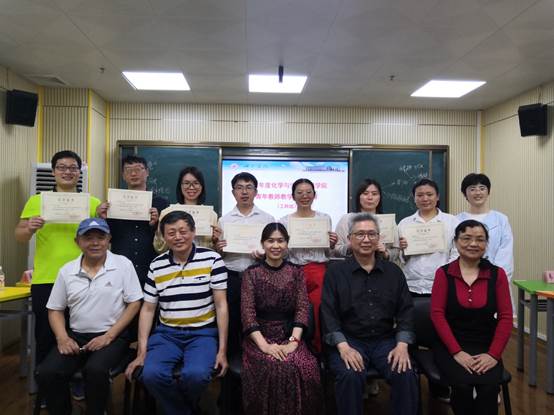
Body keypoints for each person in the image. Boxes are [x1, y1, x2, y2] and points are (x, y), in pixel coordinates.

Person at [125, 211, 229, 415]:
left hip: (202, 334)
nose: (178, 237)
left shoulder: (212, 259)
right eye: (171, 233)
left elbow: (221, 305)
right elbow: (148, 309)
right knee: (151, 374)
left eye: (183, 231)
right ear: (164, 237)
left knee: (196, 375)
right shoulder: (157, 265)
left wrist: (222, 350)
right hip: (167, 334)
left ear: (193, 232)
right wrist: (142, 352)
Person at [36, 218, 143, 415]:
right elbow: (55, 309)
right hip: (76, 336)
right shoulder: (67, 270)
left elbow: (134, 303)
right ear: (77, 242)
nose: (95, 243)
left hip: (113, 336)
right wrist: (62, 338)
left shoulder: (123, 264)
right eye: (88, 238)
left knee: (95, 370)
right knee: (47, 372)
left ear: (109, 239)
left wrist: (109, 336)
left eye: (100, 237)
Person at [321, 213, 419, 415]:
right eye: (360, 234)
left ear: (378, 238)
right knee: (349, 374)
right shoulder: (335, 273)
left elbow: (406, 311)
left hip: (385, 340)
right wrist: (343, 347)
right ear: (349, 239)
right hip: (349, 339)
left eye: (371, 234)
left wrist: (402, 346)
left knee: (405, 372)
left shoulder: (393, 272)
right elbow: (328, 313)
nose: (366, 239)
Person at [15, 150, 102, 368]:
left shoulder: (92, 203)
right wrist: (29, 228)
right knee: (45, 334)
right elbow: (19, 236)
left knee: (81, 332)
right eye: (62, 167)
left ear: (79, 172)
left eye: (73, 168)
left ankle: (78, 378)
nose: (67, 172)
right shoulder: (37, 201)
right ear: (53, 171)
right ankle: (46, 380)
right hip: (47, 278)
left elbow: (103, 238)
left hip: (85, 278)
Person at [430, 220, 513, 415]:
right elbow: (437, 315)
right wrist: (457, 352)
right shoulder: (444, 273)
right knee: (462, 386)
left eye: (480, 239)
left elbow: (506, 317)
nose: (473, 244)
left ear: (486, 244)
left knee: (489, 388)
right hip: (450, 345)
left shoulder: (497, 274)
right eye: (466, 238)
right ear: (456, 242)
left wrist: (493, 355)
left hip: (486, 345)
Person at [241, 223, 322, 415]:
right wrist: (265, 346)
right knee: (272, 365)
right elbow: (247, 314)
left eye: (280, 241)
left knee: (305, 366)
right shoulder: (251, 273)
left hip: (290, 334)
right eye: (270, 241)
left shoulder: (296, 272)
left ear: (287, 244)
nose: (275, 246)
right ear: (263, 243)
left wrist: (293, 342)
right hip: (259, 337)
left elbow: (302, 308)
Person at [215, 172, 274, 414]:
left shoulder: (267, 219)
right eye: (239, 187)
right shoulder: (224, 220)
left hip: (257, 278)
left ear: (256, 191)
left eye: (249, 187)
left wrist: (265, 253)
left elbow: (275, 250)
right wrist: (218, 248)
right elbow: (217, 254)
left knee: (255, 331)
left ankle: (256, 391)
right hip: (231, 279)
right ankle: (228, 396)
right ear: (233, 192)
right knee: (231, 333)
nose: (244, 191)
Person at [279, 178, 337, 353]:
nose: (304, 196)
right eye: (300, 192)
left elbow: (328, 252)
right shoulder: (284, 221)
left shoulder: (324, 218)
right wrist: (285, 246)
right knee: (293, 311)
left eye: (308, 192)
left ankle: (319, 351)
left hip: (318, 271)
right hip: (292, 271)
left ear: (314, 195)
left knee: (319, 311)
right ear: (293, 196)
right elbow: (282, 254)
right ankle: (294, 350)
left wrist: (331, 244)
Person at [97, 155, 169, 286]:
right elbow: (109, 237)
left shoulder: (161, 203)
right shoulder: (114, 203)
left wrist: (156, 224)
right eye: (128, 170)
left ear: (147, 172)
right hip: (120, 270)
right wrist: (102, 219)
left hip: (152, 269)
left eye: (138, 169)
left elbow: (168, 239)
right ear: (123, 175)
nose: (133, 173)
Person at [398, 178, 460, 296]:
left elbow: (457, 252)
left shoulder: (452, 222)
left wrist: (445, 274)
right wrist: (404, 250)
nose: (425, 199)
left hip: (443, 284)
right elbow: (401, 259)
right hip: (411, 285)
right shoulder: (404, 223)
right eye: (420, 195)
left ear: (437, 197)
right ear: (414, 198)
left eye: (429, 194)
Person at [457, 173, 514, 282]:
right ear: (465, 193)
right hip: (464, 279)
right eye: (472, 189)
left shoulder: (501, 219)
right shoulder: (456, 220)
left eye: (482, 188)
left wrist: (496, 278)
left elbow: (506, 253)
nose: (478, 192)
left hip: (494, 279)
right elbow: (455, 253)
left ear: (488, 192)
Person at [154, 166, 218, 251]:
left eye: (196, 183)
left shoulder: (211, 215)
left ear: (202, 186)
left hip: (203, 259)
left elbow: (213, 249)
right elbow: (159, 247)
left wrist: (215, 240)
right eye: (186, 183)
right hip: (174, 258)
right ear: (180, 186)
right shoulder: (167, 212)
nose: (191, 187)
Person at [335, 178, 400, 261]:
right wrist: (350, 246)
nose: (370, 197)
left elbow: (396, 251)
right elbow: (335, 250)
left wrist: (385, 253)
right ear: (359, 197)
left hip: (381, 266)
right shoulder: (346, 219)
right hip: (351, 266)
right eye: (365, 193)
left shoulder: (388, 221)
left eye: (374, 194)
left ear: (380, 197)